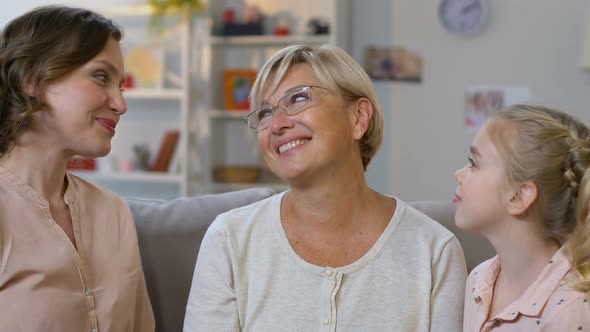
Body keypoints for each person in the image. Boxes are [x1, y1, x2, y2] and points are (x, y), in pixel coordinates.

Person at [184, 44, 467, 331]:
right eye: (265, 113)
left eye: (298, 98)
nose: (277, 124)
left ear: (358, 118)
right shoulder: (229, 240)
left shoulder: (434, 252)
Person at [0, 5, 155, 331]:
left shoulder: (114, 212)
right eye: (101, 77)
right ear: (33, 79)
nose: (121, 104)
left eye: (121, 86)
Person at [454, 104, 590, 331]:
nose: (458, 174)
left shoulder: (571, 312)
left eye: (474, 163)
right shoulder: (478, 280)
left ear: (518, 196)